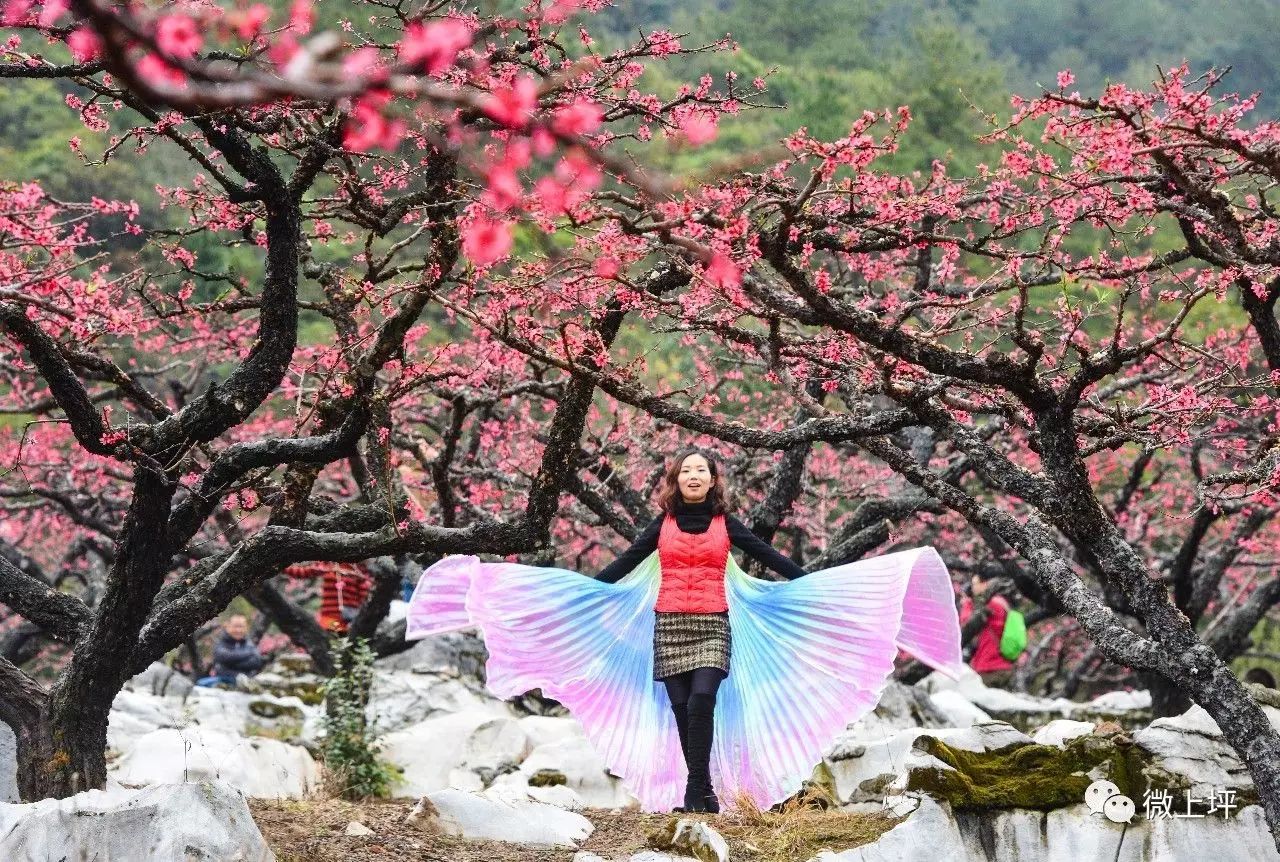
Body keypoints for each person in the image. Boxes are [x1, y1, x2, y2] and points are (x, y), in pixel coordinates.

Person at [403, 447, 966, 815]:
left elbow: (767, 554)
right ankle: (698, 787)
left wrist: (813, 586)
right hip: (668, 621)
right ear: (676, 481)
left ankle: (701, 793)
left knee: (701, 701)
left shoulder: (727, 523)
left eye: (704, 471)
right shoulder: (663, 523)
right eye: (686, 471)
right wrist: (586, 594)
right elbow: (623, 563)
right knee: (679, 708)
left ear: (713, 481)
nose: (695, 477)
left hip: (715, 622)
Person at [958, 572, 1015, 688]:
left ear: (985, 584)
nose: (972, 588)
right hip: (1003, 665)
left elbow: (966, 622)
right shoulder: (1002, 603)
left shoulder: (990, 605)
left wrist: (967, 603)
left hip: (989, 665)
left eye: (975, 584)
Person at [282, 561, 373, 634]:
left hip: (349, 618)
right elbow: (303, 572)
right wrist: (280, 567)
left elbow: (364, 597)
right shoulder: (329, 563)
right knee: (330, 645)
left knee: (344, 648)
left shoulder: (359, 569)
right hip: (329, 617)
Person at [196, 614, 265, 688]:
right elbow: (222, 657)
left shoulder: (249, 644)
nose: (238, 630)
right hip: (223, 680)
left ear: (246, 628)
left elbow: (256, 661)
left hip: (247, 681)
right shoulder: (221, 643)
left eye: (241, 626)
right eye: (235, 626)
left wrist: (230, 663)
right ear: (228, 627)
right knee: (201, 684)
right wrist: (247, 654)